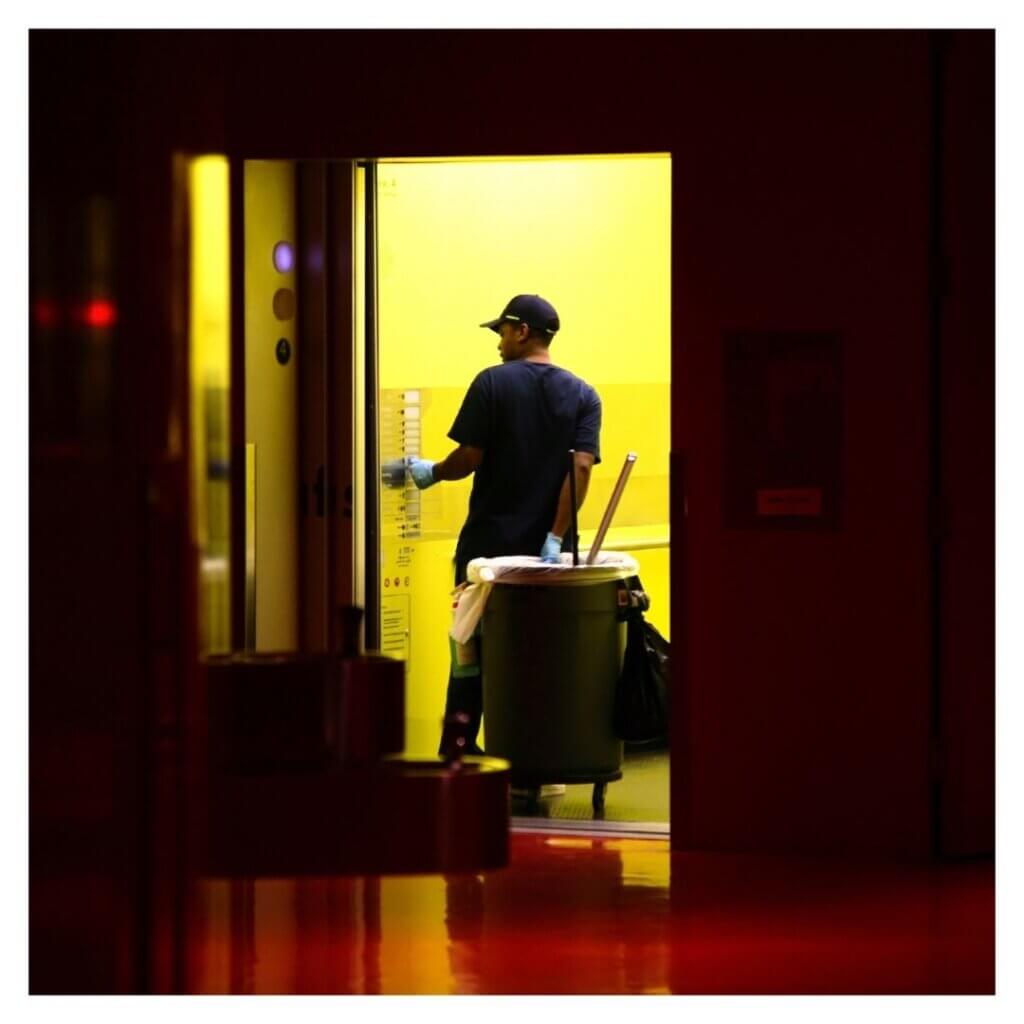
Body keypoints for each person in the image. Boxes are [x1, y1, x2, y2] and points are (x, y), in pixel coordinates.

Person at [408, 294, 602, 757]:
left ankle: (458, 750)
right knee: (539, 653)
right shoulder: (584, 394)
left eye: (500, 332)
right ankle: (533, 750)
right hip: (548, 560)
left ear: (521, 331)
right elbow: (581, 469)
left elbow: (469, 459)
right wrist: (555, 537)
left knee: (468, 654)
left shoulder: (491, 384)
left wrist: (431, 471)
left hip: (486, 553)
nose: (497, 343)